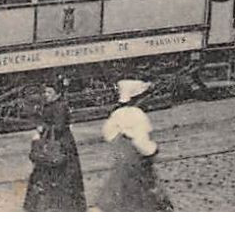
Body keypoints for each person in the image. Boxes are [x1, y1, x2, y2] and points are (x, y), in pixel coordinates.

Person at [95, 79, 173, 211]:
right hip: (136, 159)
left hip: (122, 158)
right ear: (136, 99)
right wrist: (152, 150)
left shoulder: (117, 113)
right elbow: (140, 140)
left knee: (121, 189)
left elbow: (108, 132)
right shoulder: (137, 114)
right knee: (143, 192)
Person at [23, 79, 86, 211]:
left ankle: (59, 204)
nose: (46, 94)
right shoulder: (53, 104)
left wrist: (42, 128)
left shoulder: (59, 106)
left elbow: (58, 127)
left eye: (49, 92)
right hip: (57, 142)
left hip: (59, 143)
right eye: (45, 91)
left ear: (58, 94)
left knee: (58, 172)